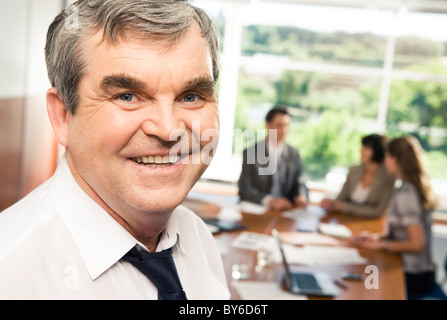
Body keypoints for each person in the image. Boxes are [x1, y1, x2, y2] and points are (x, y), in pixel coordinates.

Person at [0, 0, 230, 299]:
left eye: (190, 96)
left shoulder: (197, 236)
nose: (167, 128)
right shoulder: (10, 273)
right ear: (63, 116)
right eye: (127, 96)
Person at [353, 135, 439, 297]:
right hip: (421, 273)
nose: (384, 161)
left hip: (414, 277)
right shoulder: (410, 187)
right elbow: (404, 233)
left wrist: (381, 245)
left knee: (364, 285)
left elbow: (416, 244)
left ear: (395, 159)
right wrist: (377, 237)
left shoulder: (406, 194)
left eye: (386, 156)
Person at [238, 106, 308, 211]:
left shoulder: (294, 153)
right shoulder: (251, 152)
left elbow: (299, 182)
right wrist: (270, 200)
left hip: (285, 210)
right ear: (268, 125)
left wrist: (301, 195)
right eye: (279, 125)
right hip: (260, 210)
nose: (284, 130)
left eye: (287, 125)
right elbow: (245, 188)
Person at [320, 134, 395, 218]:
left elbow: (378, 211)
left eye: (367, 148)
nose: (361, 150)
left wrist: (345, 207)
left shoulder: (388, 178)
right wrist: (332, 203)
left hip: (372, 225)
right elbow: (341, 198)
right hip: (345, 221)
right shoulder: (353, 170)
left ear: (378, 151)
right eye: (363, 146)